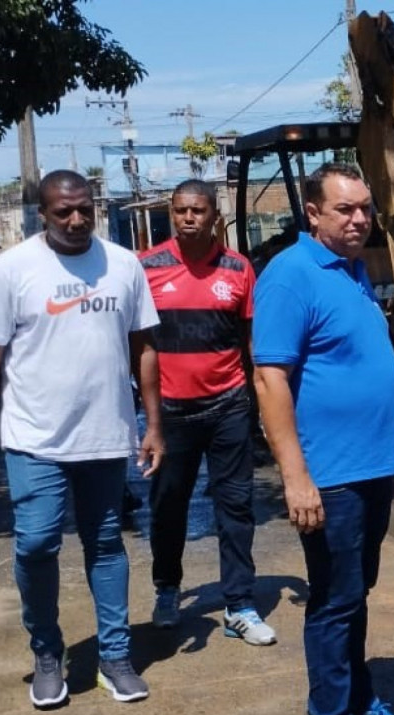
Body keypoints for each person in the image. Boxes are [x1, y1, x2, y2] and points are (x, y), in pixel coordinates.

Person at [0, 169, 165, 709]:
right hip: (35, 440)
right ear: (42, 214)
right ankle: (48, 653)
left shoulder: (123, 265)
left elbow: (144, 348)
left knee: (104, 545)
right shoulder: (12, 269)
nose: (75, 220)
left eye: (83, 210)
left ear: (94, 207)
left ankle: (115, 657)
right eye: (62, 212)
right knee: (35, 543)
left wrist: (153, 425)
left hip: (104, 436)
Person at [252, 163, 394, 715]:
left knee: (353, 595)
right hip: (331, 476)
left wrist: (393, 455)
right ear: (313, 214)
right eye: (345, 210)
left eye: (365, 209)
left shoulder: (354, 271)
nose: (359, 219)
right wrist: (296, 477)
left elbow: (366, 370)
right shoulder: (289, 275)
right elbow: (270, 379)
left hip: (371, 467)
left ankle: (360, 705)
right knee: (333, 600)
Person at [138, 179, 275, 645]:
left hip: (228, 407)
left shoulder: (239, 270)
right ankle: (167, 590)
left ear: (215, 215)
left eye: (197, 210)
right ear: (171, 215)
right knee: (168, 507)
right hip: (170, 414)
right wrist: (148, 417)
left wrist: (261, 411)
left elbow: (252, 346)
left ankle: (239, 604)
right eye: (180, 211)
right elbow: (137, 346)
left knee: (235, 507)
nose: (188, 218)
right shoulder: (146, 268)